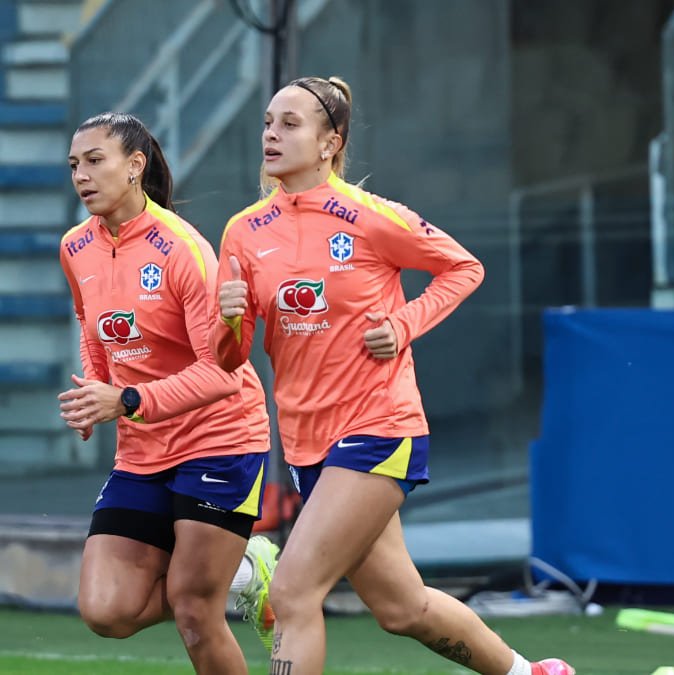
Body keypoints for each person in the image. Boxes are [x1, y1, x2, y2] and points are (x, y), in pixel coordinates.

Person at [209, 75, 573, 675]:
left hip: (380, 426)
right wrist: (227, 323)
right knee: (403, 609)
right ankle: (530, 674)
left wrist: (404, 325)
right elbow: (229, 359)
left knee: (294, 592)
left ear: (331, 143)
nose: (272, 134)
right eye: (269, 123)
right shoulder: (243, 232)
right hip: (306, 443)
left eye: (291, 124)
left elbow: (463, 268)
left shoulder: (371, 217)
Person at [58, 112, 279, 674]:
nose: (82, 175)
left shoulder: (182, 248)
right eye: (74, 165)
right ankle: (244, 568)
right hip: (142, 449)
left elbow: (225, 371)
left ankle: (228, 575)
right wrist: (95, 392)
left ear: (135, 166)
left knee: (193, 611)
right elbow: (93, 334)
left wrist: (127, 401)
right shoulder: (75, 247)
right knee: (106, 611)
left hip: (220, 439)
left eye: (95, 160)